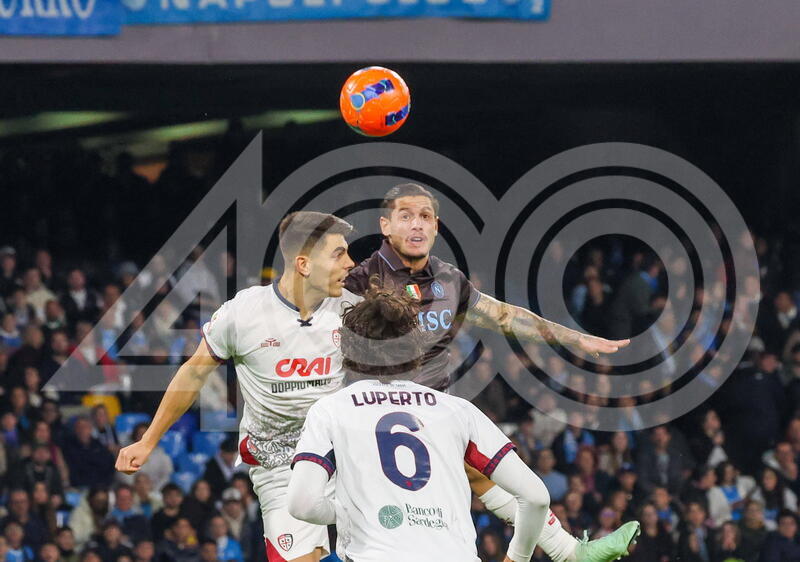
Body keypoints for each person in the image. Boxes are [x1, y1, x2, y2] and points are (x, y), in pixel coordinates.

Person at [343, 183, 637, 561]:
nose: (417, 225)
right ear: (385, 225)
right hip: (377, 419)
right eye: (406, 216)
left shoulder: (449, 280)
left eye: (425, 217)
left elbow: (504, 317)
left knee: (489, 481)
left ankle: (570, 553)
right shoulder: (360, 281)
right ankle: (568, 553)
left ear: (436, 227)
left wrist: (573, 338)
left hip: (437, 411)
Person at [116, 212, 359, 562]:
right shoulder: (244, 313)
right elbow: (193, 374)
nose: (350, 263)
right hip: (280, 463)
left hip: (345, 454)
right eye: (339, 254)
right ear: (304, 264)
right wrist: (148, 440)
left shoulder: (352, 308)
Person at [287, 283, 554, 561]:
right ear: (416, 350)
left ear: (349, 348)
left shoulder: (331, 410)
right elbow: (536, 497)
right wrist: (518, 557)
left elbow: (302, 503)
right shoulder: (458, 410)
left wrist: (347, 511)